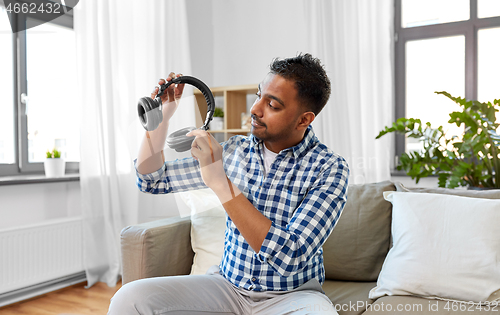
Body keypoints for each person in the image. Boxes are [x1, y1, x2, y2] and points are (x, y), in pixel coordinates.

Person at [108, 53, 349, 315]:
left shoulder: (329, 168)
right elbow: (151, 181)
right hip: (227, 288)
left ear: (304, 119)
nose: (255, 109)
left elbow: (290, 256)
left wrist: (221, 183)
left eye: (273, 105)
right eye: (259, 95)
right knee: (129, 298)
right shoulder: (234, 151)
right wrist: (163, 118)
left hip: (293, 297)